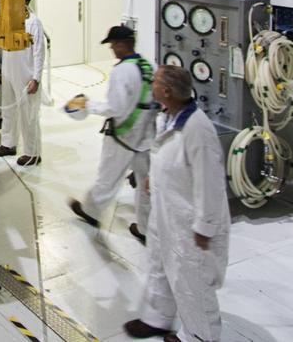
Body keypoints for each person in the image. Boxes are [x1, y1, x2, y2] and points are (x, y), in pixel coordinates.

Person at [124, 66, 230, 342]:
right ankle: (157, 319)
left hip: (188, 222)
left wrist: (204, 228)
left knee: (190, 279)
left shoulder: (198, 130)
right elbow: (165, 154)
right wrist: (152, 177)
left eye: (155, 83)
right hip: (165, 210)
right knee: (159, 264)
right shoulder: (168, 117)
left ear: (167, 91)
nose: (152, 86)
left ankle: (199, 336)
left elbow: (210, 184)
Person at [67, 25, 157, 243]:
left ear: (122, 44)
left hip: (123, 136)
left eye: (113, 45)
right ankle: (145, 229)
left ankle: (91, 211)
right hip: (146, 138)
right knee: (145, 185)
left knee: (108, 178)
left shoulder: (121, 72)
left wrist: (88, 105)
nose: (112, 49)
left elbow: (115, 108)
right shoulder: (149, 66)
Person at [0, 0, 48, 165]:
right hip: (9, 72)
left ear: (23, 2)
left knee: (28, 115)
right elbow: (2, 41)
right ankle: (8, 144)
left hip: (26, 76)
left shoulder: (33, 23)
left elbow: (39, 52)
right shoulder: (10, 20)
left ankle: (33, 153)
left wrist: (36, 78)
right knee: (8, 110)